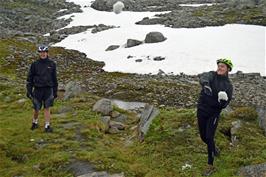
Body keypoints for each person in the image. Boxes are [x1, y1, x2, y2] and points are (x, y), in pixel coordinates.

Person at [197, 58, 233, 176]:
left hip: (213, 113)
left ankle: (210, 165)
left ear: (228, 69)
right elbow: (204, 77)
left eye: (222, 66)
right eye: (219, 65)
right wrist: (206, 85)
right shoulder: (212, 75)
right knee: (203, 137)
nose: (219, 68)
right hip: (202, 110)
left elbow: (226, 103)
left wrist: (222, 102)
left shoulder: (228, 85)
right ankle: (214, 149)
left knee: (209, 137)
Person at [26, 45, 58, 133]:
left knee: (47, 108)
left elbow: (54, 78)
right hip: (37, 90)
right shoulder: (34, 64)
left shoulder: (52, 64)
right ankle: (34, 122)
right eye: (41, 52)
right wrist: (29, 90)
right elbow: (30, 78)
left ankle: (47, 126)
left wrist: (55, 91)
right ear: (39, 54)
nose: (43, 54)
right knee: (36, 108)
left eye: (44, 52)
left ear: (47, 53)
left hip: (48, 90)